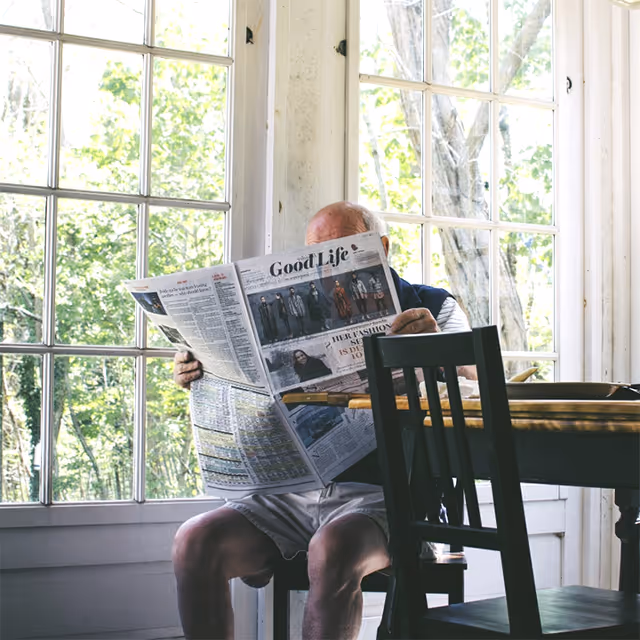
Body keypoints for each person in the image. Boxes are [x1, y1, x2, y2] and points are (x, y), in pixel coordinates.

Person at [172, 201, 475, 640]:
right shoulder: (292, 313)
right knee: (193, 542)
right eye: (316, 254)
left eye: (342, 250)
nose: (327, 268)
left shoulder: (432, 307)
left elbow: (482, 381)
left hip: (382, 499)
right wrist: (197, 370)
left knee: (332, 549)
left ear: (381, 248)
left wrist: (435, 352)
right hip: (287, 494)